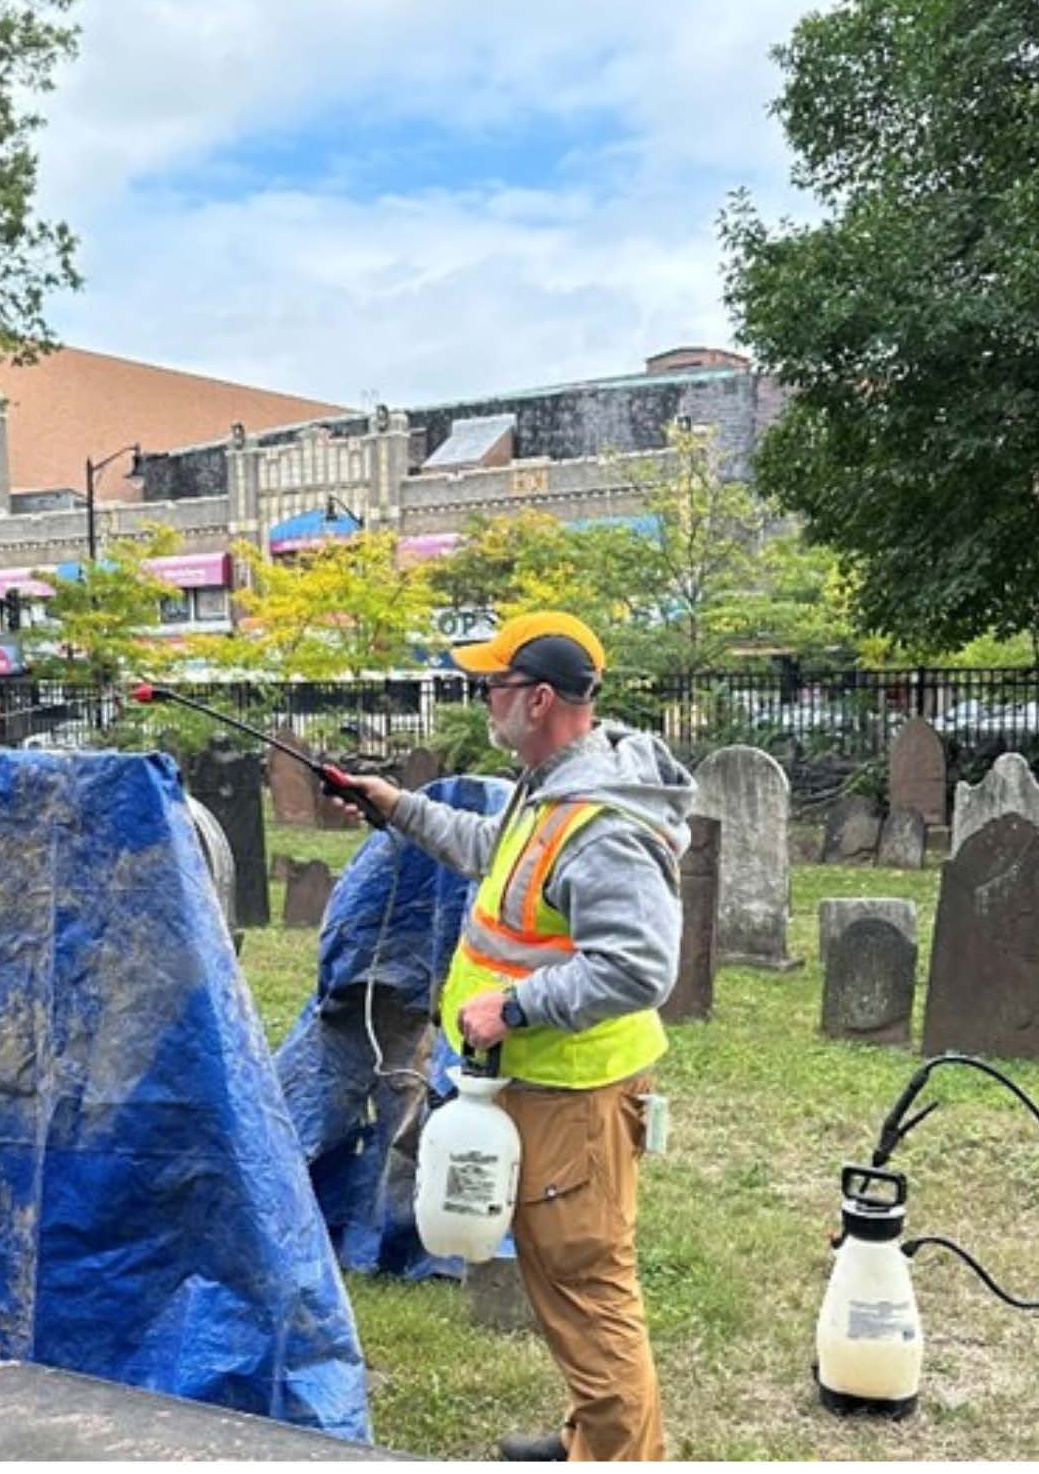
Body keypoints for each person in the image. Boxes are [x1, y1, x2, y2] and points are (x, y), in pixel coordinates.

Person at [327, 610, 694, 1462]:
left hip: (576, 1094)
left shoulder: (603, 824)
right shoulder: (549, 788)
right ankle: (590, 1435)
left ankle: (617, 1456)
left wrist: (513, 1008)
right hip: (538, 1087)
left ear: (535, 699)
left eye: (490, 684)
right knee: (560, 1279)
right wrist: (396, 808)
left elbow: (641, 966)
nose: (481, 698)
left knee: (590, 1289)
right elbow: (492, 851)